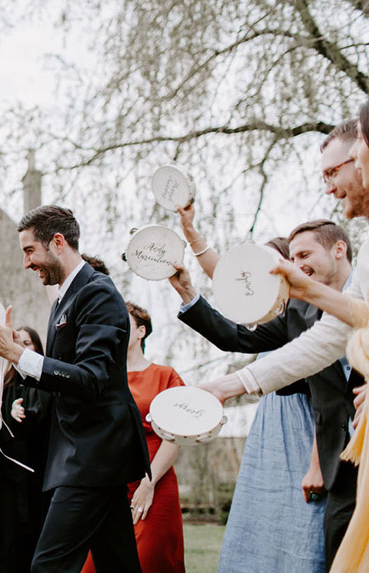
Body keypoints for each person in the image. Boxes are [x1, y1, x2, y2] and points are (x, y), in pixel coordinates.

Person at [196, 116, 369, 568]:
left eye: (336, 171)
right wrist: (231, 386)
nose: (329, 187)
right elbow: (332, 334)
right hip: (347, 457)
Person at [173, 218, 356, 570]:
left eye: (304, 255)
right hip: (336, 454)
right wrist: (188, 292)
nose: (297, 266)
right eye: (295, 258)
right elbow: (236, 331)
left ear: (338, 249)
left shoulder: (354, 295)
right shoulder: (299, 313)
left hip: (323, 442)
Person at [0, 205, 150, 572]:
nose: (26, 263)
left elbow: (90, 378)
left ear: (57, 242)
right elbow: (57, 376)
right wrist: (14, 360)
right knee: (118, 563)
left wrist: (16, 352)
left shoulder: (97, 292)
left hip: (95, 454)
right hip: (83, 455)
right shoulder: (63, 300)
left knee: (48, 567)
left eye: (29, 251)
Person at [79, 302, 184, 573]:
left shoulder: (165, 376)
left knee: (148, 561)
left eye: (122, 322)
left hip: (154, 482)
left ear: (140, 331)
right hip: (109, 485)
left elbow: (175, 437)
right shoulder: (101, 379)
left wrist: (148, 485)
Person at [0, 326, 53, 573]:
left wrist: (26, 412)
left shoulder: (49, 384)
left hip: (41, 478)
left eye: (28, 343)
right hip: (9, 481)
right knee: (12, 546)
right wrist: (8, 413)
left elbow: (44, 418)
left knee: (40, 543)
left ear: (37, 348)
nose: (22, 348)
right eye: (17, 343)